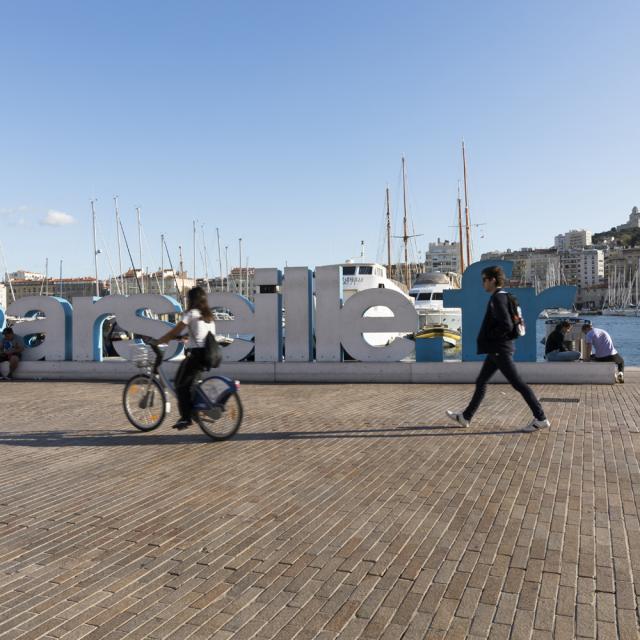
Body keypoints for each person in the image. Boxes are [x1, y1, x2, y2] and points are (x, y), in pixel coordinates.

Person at [446, 265, 550, 433]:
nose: (483, 284)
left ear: (492, 280)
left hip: (499, 349)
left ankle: (541, 417)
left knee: (518, 384)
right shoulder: (505, 296)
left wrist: (491, 336)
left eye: (484, 280)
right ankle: (466, 417)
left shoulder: (497, 298)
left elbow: (507, 325)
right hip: (497, 349)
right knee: (481, 381)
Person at [155, 286, 216, 429]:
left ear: (192, 300)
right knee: (191, 384)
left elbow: (174, 330)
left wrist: (159, 341)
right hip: (208, 355)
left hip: (195, 356)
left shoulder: (192, 313)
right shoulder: (208, 316)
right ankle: (194, 410)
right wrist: (185, 338)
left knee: (179, 383)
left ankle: (185, 418)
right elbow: (201, 335)